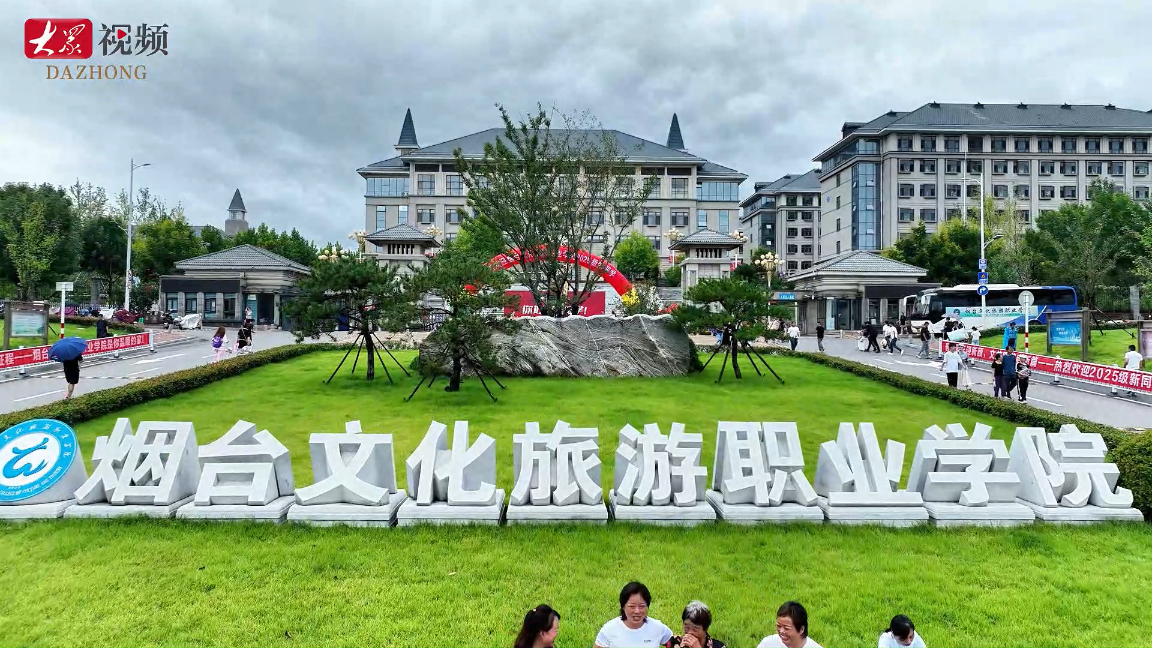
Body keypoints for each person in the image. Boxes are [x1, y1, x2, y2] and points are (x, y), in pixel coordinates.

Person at [595, 582, 672, 648]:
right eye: (632, 606)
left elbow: (673, 642)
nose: (637, 611)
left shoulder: (657, 627)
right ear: (623, 606)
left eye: (642, 606)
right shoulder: (609, 629)